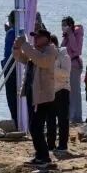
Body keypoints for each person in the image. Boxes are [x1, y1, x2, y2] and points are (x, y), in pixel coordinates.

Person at [13, 29, 60, 166]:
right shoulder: (35, 51)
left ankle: (44, 156)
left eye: (38, 37)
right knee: (34, 126)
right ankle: (39, 155)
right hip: (33, 95)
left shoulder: (50, 50)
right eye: (34, 37)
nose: (35, 39)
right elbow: (21, 58)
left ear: (46, 38)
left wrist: (25, 45)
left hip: (42, 96)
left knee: (36, 127)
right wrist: (17, 47)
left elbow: (42, 61)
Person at [46, 34, 72, 155]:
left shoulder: (64, 56)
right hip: (50, 91)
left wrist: (52, 68)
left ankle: (62, 145)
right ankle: (50, 145)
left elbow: (66, 74)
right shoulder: (46, 56)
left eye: (50, 44)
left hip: (62, 90)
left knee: (62, 120)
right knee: (50, 119)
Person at [61, 17, 84, 124]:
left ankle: (77, 117)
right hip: (66, 66)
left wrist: (70, 34)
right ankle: (70, 116)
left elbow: (76, 49)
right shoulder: (65, 36)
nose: (63, 27)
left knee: (75, 92)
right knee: (67, 92)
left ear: (70, 25)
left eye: (65, 25)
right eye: (62, 25)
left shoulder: (76, 34)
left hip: (74, 65)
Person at [3, 11, 19, 124]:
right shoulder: (23, 32)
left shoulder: (11, 33)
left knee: (12, 96)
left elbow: (8, 52)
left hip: (11, 66)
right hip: (20, 65)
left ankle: (16, 120)